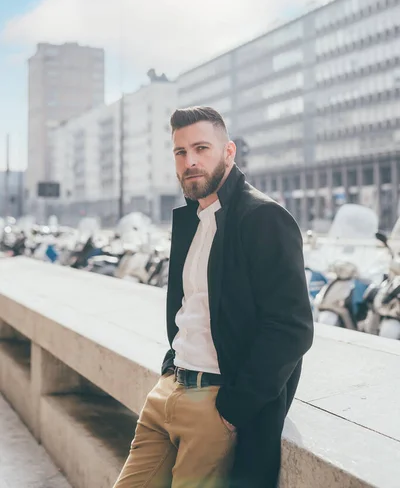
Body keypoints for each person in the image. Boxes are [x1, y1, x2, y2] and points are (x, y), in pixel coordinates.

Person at [113, 106, 314, 488]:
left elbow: (292, 328)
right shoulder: (191, 219)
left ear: (229, 152)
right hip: (167, 392)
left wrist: (233, 409)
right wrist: (171, 367)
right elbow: (190, 308)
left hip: (215, 405)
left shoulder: (263, 218)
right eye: (180, 152)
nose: (190, 161)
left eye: (202, 148)